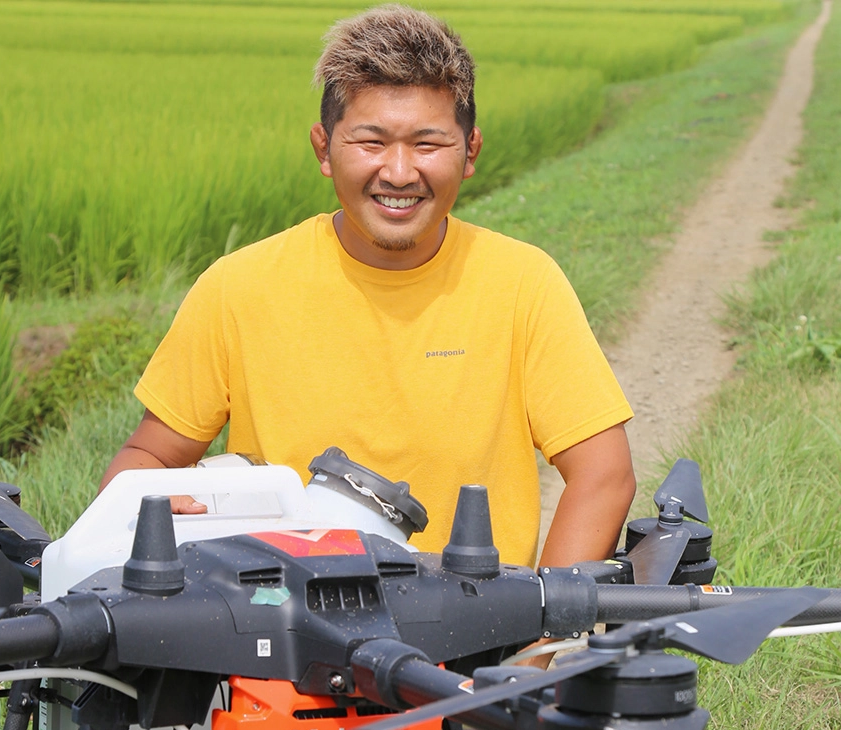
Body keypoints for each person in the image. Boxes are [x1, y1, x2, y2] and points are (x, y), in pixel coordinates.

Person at [100, 4, 635, 572]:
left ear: (471, 151)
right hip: (279, 634)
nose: (400, 172)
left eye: (427, 144)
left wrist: (535, 644)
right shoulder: (239, 288)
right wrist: (148, 505)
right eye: (370, 142)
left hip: (475, 639)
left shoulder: (522, 285)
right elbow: (151, 455)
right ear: (323, 148)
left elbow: (603, 475)